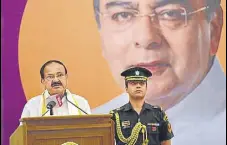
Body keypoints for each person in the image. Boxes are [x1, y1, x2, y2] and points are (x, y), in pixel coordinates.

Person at [92, 0, 226, 144]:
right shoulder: (84, 133)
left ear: (213, 29)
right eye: (122, 15)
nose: (145, 38)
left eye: (170, 14)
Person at [110, 67, 174, 145]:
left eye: (142, 83)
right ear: (126, 88)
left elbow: (166, 142)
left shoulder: (158, 114)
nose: (138, 86)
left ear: (146, 87)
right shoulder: (116, 116)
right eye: (133, 83)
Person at [20, 60, 91, 119]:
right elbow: (23, 133)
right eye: (50, 77)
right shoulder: (32, 106)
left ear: (66, 77)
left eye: (60, 75)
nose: (56, 80)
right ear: (43, 81)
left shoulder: (81, 103)